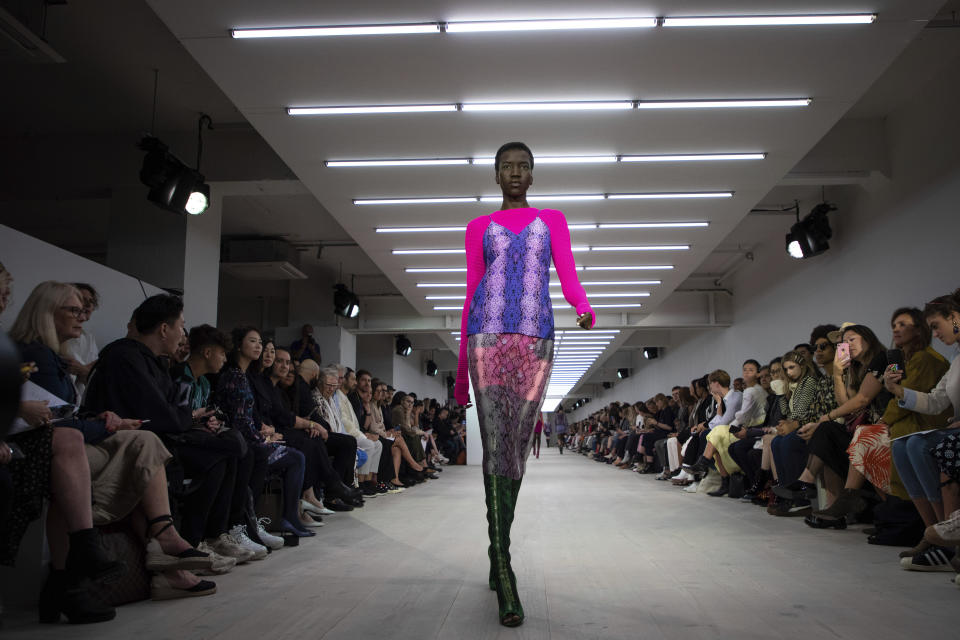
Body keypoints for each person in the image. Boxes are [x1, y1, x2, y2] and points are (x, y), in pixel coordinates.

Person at [454, 141, 595, 627]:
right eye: (507, 167)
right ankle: (504, 570)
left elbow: (568, 276)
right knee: (495, 445)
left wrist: (583, 307)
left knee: (515, 447)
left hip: (536, 337)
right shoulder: (478, 228)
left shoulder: (552, 221)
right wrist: (460, 361)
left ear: (532, 175)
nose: (515, 173)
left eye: (523, 167)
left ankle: (499, 552)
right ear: (496, 175)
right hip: (486, 336)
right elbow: (473, 289)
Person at [17, 284, 216, 608]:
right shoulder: (114, 357)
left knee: (159, 447)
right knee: (149, 449)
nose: (83, 318)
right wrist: (102, 422)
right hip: (50, 452)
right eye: (75, 310)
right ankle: (163, 544)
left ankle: (165, 547)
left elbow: (62, 417)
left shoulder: (56, 358)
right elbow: (53, 426)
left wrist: (98, 418)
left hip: (75, 443)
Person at [60, 283, 99, 401]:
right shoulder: (55, 338)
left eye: (90, 301)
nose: (86, 304)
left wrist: (82, 370)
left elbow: (94, 375)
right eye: (81, 299)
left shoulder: (88, 338)